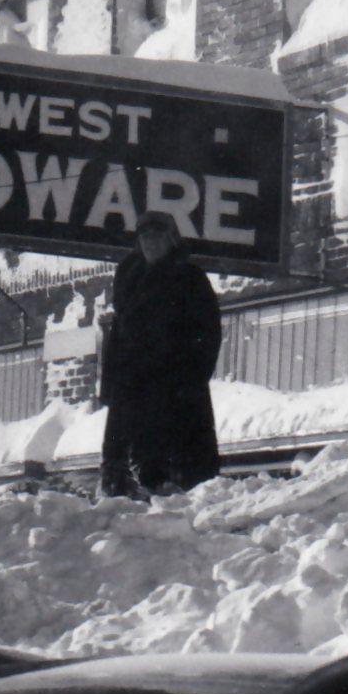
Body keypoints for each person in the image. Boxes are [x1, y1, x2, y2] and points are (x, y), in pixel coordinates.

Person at [98, 213, 224, 499]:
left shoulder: (190, 278)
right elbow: (117, 340)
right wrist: (110, 387)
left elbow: (208, 334)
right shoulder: (129, 282)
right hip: (132, 389)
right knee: (135, 467)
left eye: (157, 236)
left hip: (176, 389)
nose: (150, 243)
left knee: (182, 473)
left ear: (171, 239)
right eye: (144, 237)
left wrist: (189, 379)